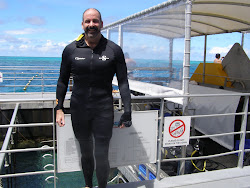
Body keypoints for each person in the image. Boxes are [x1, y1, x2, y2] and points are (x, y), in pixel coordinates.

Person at [55, 8, 131, 188]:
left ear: (101, 24)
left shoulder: (114, 50)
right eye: (88, 21)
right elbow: (62, 81)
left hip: (103, 110)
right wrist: (59, 108)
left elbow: (123, 83)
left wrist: (128, 110)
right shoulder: (70, 50)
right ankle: (88, 185)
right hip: (79, 110)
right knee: (86, 153)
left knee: (102, 154)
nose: (91, 25)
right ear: (82, 24)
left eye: (95, 21)